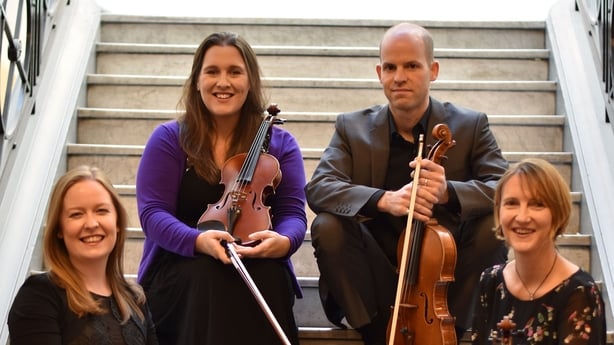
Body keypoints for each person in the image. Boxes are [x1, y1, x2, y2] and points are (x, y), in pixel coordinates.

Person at [304, 22, 509, 345]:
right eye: (390, 67)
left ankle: (447, 333)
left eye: (412, 65)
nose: (399, 76)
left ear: (433, 70)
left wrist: (448, 192)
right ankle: (375, 333)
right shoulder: (351, 127)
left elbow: (504, 186)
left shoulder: (470, 126)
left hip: (444, 282)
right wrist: (383, 200)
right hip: (375, 279)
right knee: (328, 225)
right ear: (379, 72)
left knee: (494, 222)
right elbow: (319, 187)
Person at [135, 31, 307, 345]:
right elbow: (152, 214)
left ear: (250, 80)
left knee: (267, 275)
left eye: (234, 72)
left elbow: (293, 213)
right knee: (208, 273)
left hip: (255, 258)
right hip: (181, 262)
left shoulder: (281, 143)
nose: (223, 82)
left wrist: (283, 241)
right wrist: (198, 240)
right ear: (197, 80)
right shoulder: (169, 139)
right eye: (212, 71)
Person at [7, 165, 158, 344]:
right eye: (76, 214)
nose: (91, 223)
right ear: (59, 229)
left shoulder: (135, 298)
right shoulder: (40, 296)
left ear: (117, 222)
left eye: (101, 211)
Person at [471, 158, 606, 344]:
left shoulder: (580, 293)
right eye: (511, 203)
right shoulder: (491, 281)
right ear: (498, 211)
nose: (522, 217)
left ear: (557, 213)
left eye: (537, 204)